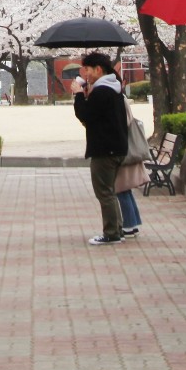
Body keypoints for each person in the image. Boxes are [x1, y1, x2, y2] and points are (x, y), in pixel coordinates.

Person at [70, 51, 130, 245]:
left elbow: (86, 115)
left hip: (105, 149)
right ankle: (117, 229)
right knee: (110, 192)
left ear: (98, 69)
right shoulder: (113, 89)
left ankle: (111, 232)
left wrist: (79, 95)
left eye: (87, 69)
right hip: (117, 147)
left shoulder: (102, 90)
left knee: (104, 192)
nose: (85, 73)